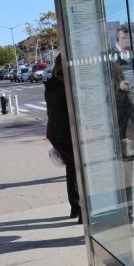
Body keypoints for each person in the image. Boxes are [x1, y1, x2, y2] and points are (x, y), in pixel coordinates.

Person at [44, 54, 80, 223]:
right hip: (67, 133)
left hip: (55, 133)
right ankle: (81, 209)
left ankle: (75, 208)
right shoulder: (66, 86)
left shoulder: (51, 85)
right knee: (77, 170)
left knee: (72, 169)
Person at [110, 61, 134, 233]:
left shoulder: (105, 90)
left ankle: (119, 220)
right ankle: (127, 222)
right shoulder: (124, 88)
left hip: (110, 142)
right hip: (125, 140)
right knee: (126, 183)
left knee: (117, 183)